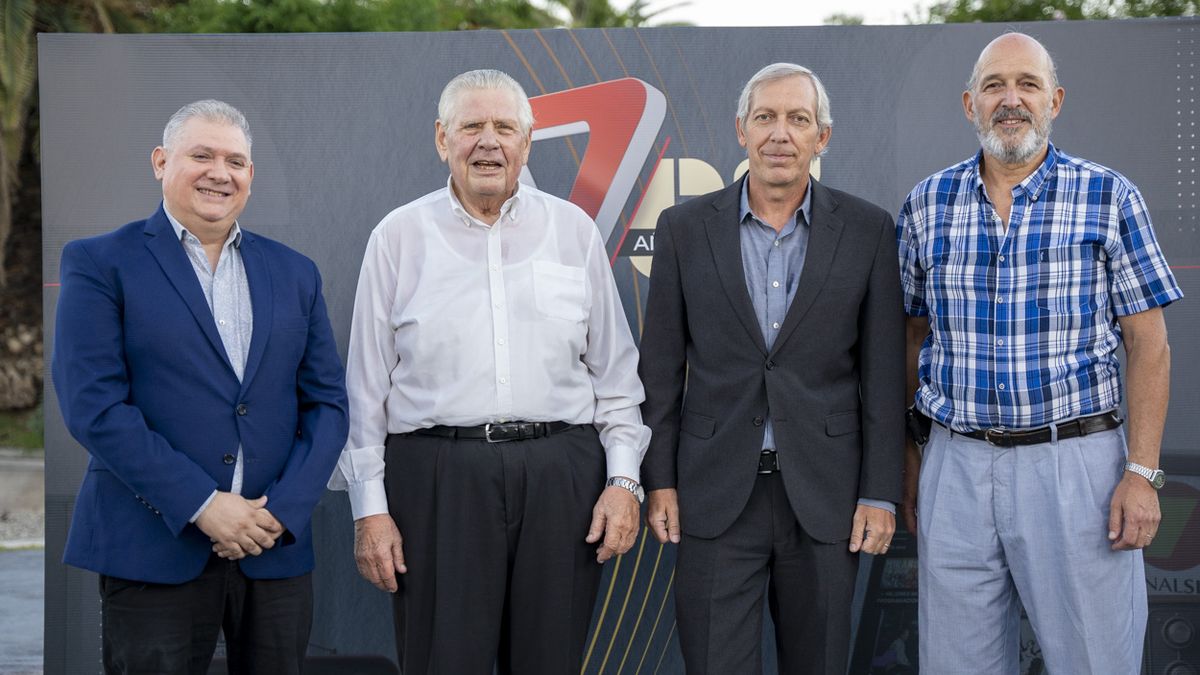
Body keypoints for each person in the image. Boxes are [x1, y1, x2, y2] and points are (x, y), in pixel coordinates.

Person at [328, 68, 650, 674]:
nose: (488, 142)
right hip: (437, 482)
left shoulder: (573, 232)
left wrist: (623, 482)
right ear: (441, 139)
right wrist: (369, 509)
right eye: (471, 126)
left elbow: (616, 380)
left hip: (561, 480)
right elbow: (365, 390)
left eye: (505, 127)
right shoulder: (397, 237)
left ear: (527, 142)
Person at [897, 32, 1182, 674]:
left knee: (1095, 662)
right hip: (955, 467)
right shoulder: (925, 205)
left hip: (1077, 469)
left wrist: (1141, 474)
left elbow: (1150, 345)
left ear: (1054, 100)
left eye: (1027, 84)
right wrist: (912, 455)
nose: (1011, 99)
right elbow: (911, 337)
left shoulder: (1108, 197)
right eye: (994, 86)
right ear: (969, 103)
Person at [52, 100, 349, 674]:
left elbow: (328, 406)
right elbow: (94, 406)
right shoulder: (99, 262)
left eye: (235, 161)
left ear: (251, 175)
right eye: (202, 156)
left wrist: (280, 513)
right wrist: (203, 504)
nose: (220, 173)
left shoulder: (295, 272)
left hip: (272, 549)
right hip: (152, 546)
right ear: (161, 162)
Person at [638, 62, 906, 674]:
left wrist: (880, 493)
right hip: (713, 495)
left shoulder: (868, 231)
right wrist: (660, 481)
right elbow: (660, 372)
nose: (780, 133)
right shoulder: (683, 229)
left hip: (827, 499)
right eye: (765, 117)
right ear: (742, 130)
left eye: (797, 119)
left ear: (822, 136)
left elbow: (883, 380)